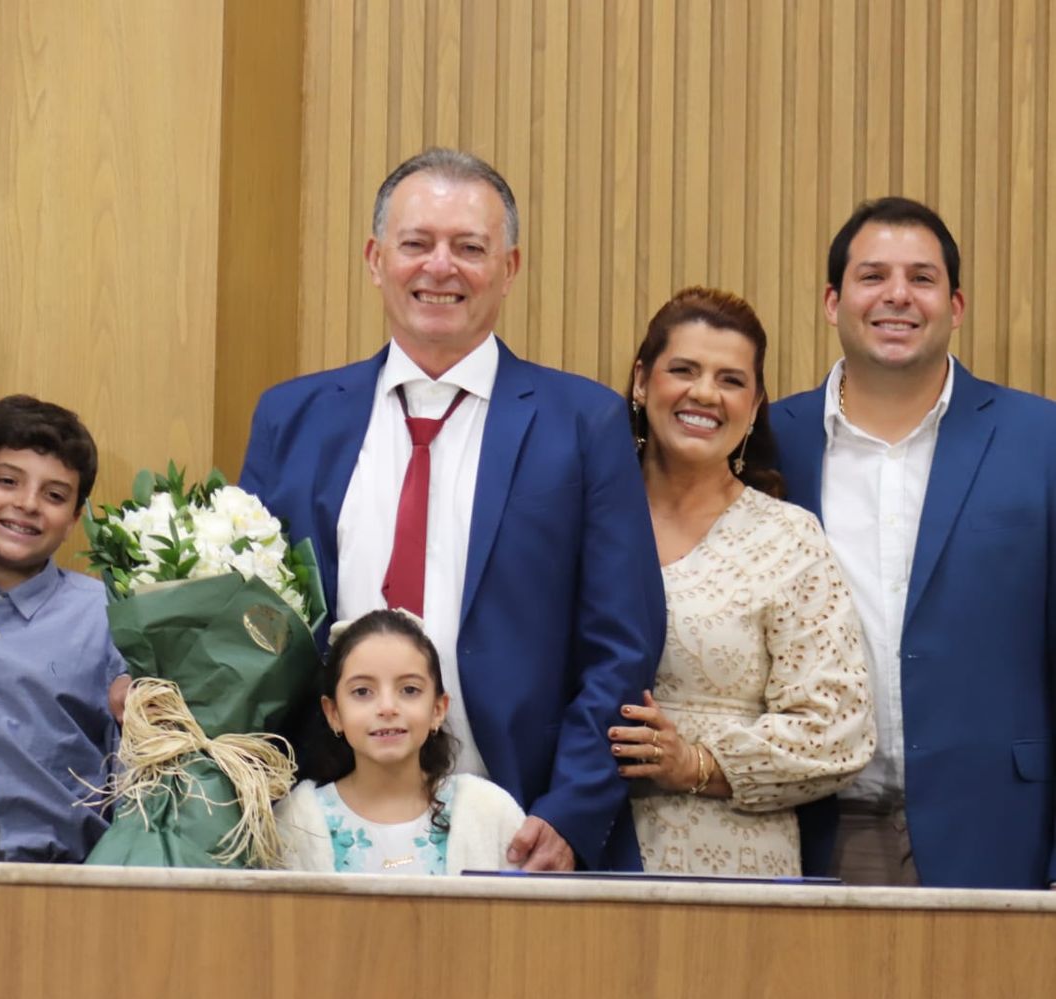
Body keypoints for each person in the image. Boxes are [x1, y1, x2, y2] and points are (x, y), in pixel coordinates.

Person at [241, 148, 665, 871]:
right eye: (417, 243)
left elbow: (622, 643)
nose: (441, 267)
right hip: (317, 826)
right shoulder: (293, 417)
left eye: (469, 248)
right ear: (376, 259)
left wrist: (570, 809)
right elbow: (248, 623)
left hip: (520, 822)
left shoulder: (582, 422)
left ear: (510, 267)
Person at [772, 197, 1056, 889]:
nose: (897, 295)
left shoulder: (1041, 440)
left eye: (921, 278)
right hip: (813, 831)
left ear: (955, 306)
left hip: (1003, 831)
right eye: (873, 276)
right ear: (833, 301)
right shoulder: (769, 442)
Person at [606, 287, 875, 877]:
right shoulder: (583, 516)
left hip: (735, 860)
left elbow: (838, 730)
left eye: (730, 380)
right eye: (684, 370)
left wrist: (697, 763)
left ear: (754, 407)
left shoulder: (788, 538)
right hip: (578, 844)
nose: (705, 393)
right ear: (642, 381)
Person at [0, 395, 123, 862]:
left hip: (65, 873)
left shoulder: (106, 617)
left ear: (73, 520)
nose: (27, 504)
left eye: (54, 496)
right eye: (8, 481)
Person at [275, 609, 524, 874]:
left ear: (438, 709)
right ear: (333, 713)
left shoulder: (489, 812)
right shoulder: (297, 822)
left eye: (409, 690)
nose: (387, 708)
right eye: (362, 691)